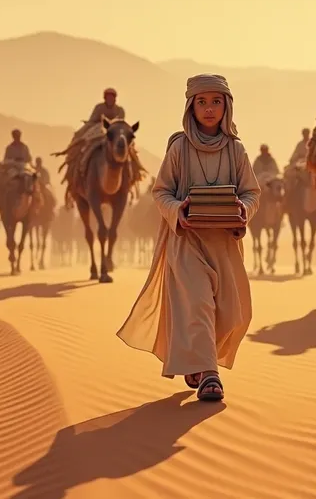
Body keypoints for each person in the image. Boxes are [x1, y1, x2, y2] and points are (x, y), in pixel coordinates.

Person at [116, 73, 261, 402]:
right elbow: (161, 191)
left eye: (216, 102)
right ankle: (210, 375)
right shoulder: (179, 148)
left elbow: (252, 192)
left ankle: (197, 358)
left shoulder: (237, 150)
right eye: (202, 102)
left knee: (234, 313)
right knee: (197, 304)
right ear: (191, 107)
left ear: (226, 106)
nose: (209, 109)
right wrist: (177, 210)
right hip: (187, 242)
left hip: (225, 243)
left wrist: (244, 209)